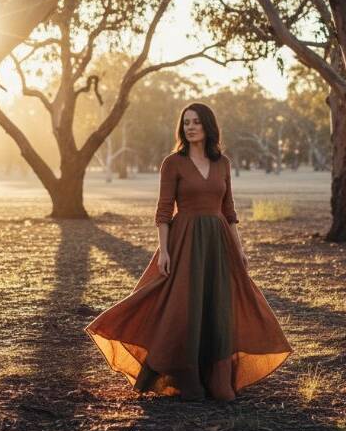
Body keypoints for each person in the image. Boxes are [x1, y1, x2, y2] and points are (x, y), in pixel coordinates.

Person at [85, 103, 292, 401]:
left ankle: (219, 378)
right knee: (184, 306)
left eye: (196, 122)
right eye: (186, 123)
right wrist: (165, 251)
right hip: (184, 241)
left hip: (218, 242)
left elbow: (229, 210)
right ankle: (187, 376)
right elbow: (164, 211)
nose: (190, 127)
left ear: (208, 126)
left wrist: (240, 248)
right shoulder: (173, 163)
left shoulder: (223, 163)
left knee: (218, 307)